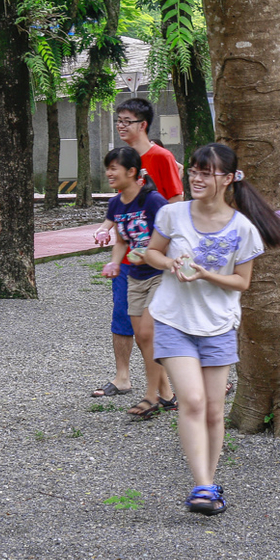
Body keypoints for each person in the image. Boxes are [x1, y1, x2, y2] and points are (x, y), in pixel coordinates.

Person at [144, 142, 280, 515]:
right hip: (174, 320)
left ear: (227, 179)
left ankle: (208, 484)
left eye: (206, 173)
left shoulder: (243, 228)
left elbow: (242, 282)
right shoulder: (172, 214)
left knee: (213, 411)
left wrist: (206, 274)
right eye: (193, 170)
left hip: (219, 325)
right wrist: (170, 263)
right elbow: (151, 252)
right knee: (192, 401)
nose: (196, 178)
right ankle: (202, 485)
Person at [89, 98, 183, 408]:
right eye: (118, 120)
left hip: (155, 260)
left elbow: (175, 205)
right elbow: (120, 215)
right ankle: (125, 377)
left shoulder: (161, 157)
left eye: (126, 120)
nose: (120, 125)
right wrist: (107, 231)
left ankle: (162, 391)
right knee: (126, 318)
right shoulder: (121, 164)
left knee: (151, 329)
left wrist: (158, 250)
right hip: (129, 260)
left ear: (142, 124)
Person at [99, 147, 174, 419]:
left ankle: (150, 396)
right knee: (143, 339)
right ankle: (167, 395)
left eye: (114, 168)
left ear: (132, 172)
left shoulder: (152, 201)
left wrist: (152, 254)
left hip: (159, 276)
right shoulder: (115, 204)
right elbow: (121, 241)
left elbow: (172, 235)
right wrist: (115, 263)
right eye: (107, 168)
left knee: (147, 333)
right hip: (134, 277)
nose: (109, 173)